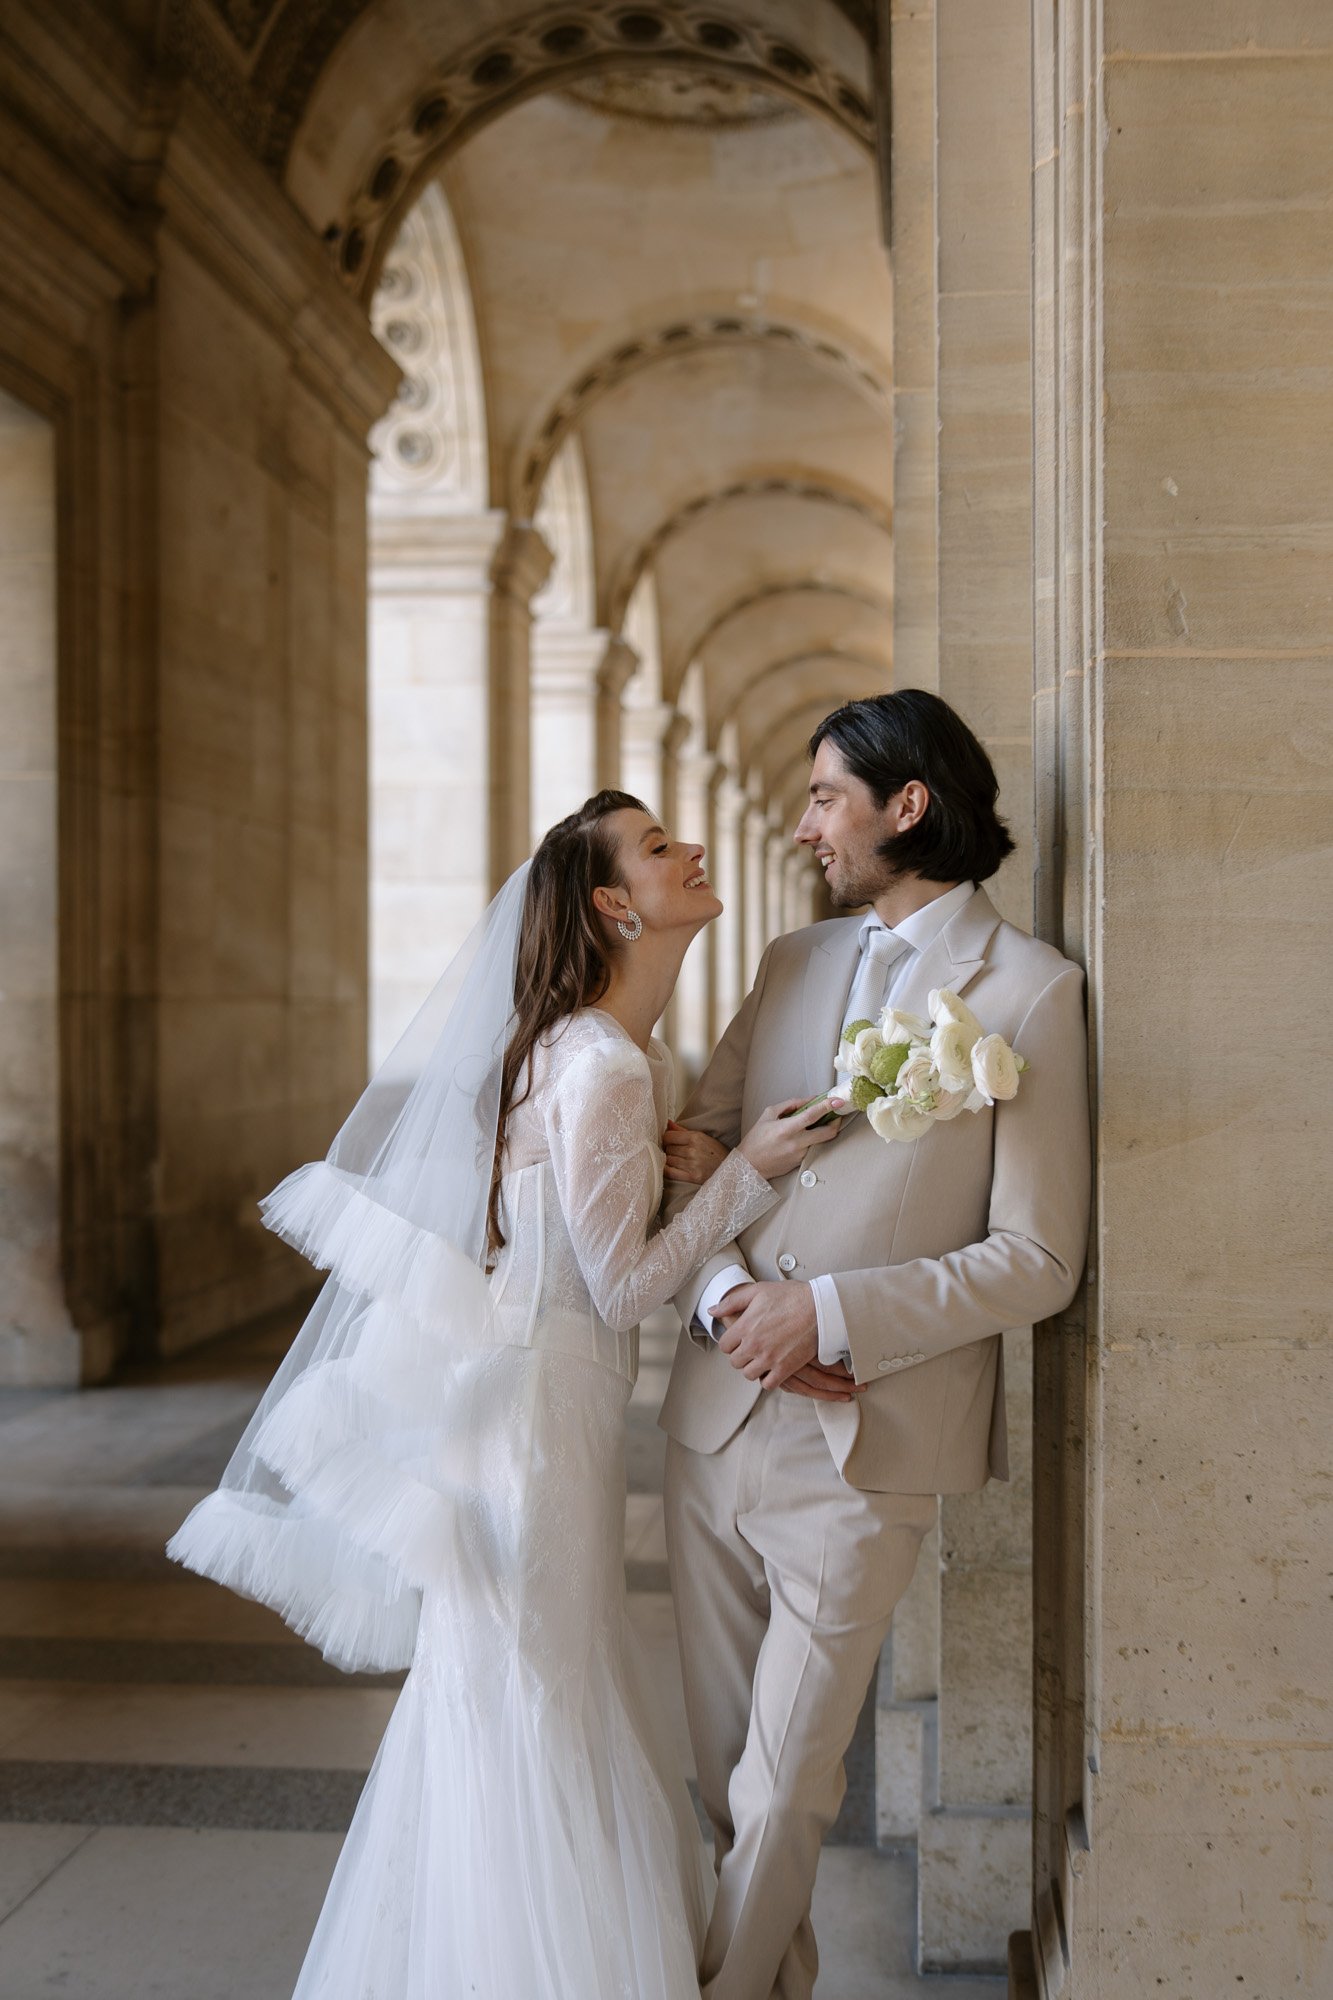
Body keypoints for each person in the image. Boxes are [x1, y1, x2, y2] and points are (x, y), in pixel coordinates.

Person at [168, 788, 836, 2000]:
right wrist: (745, 1171)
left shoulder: (607, 1054)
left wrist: (687, 1166)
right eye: (656, 845)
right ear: (612, 903)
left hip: (536, 1404)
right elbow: (625, 1285)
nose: (688, 850)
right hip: (538, 1416)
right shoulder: (602, 1063)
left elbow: (591, 1238)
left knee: (524, 1679)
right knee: (532, 1683)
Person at [659, 692, 1092, 2000]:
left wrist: (830, 1318)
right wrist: (731, 1298)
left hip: (868, 1447)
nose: (803, 829)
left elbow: (1038, 1257)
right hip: (713, 1423)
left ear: (907, 808)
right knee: (724, 1776)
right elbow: (692, 1154)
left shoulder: (1029, 995)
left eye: (824, 800)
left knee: (786, 1783)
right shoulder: (791, 964)